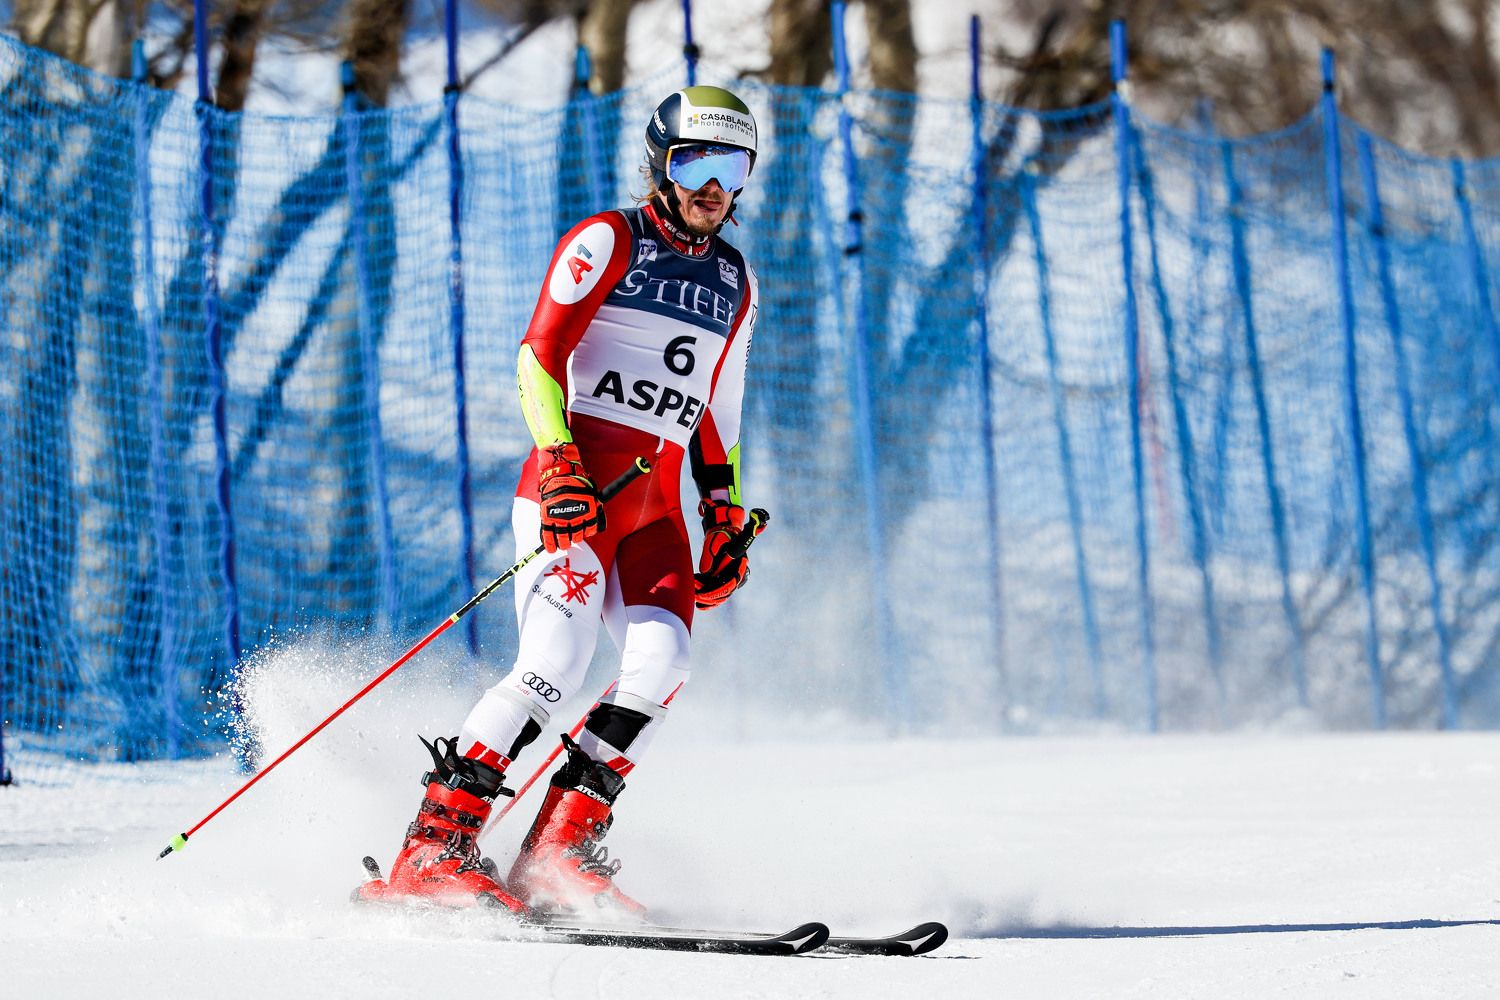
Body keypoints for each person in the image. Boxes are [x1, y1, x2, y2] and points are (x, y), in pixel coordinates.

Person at [357, 86, 763, 919]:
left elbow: (716, 410)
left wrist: (723, 513)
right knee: (553, 669)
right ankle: (431, 849)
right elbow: (538, 357)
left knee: (662, 667)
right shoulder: (607, 240)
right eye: (694, 162)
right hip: (575, 495)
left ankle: (556, 855)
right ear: (660, 163)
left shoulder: (735, 279)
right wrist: (558, 461)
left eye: (732, 166)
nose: (712, 185)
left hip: (654, 513)